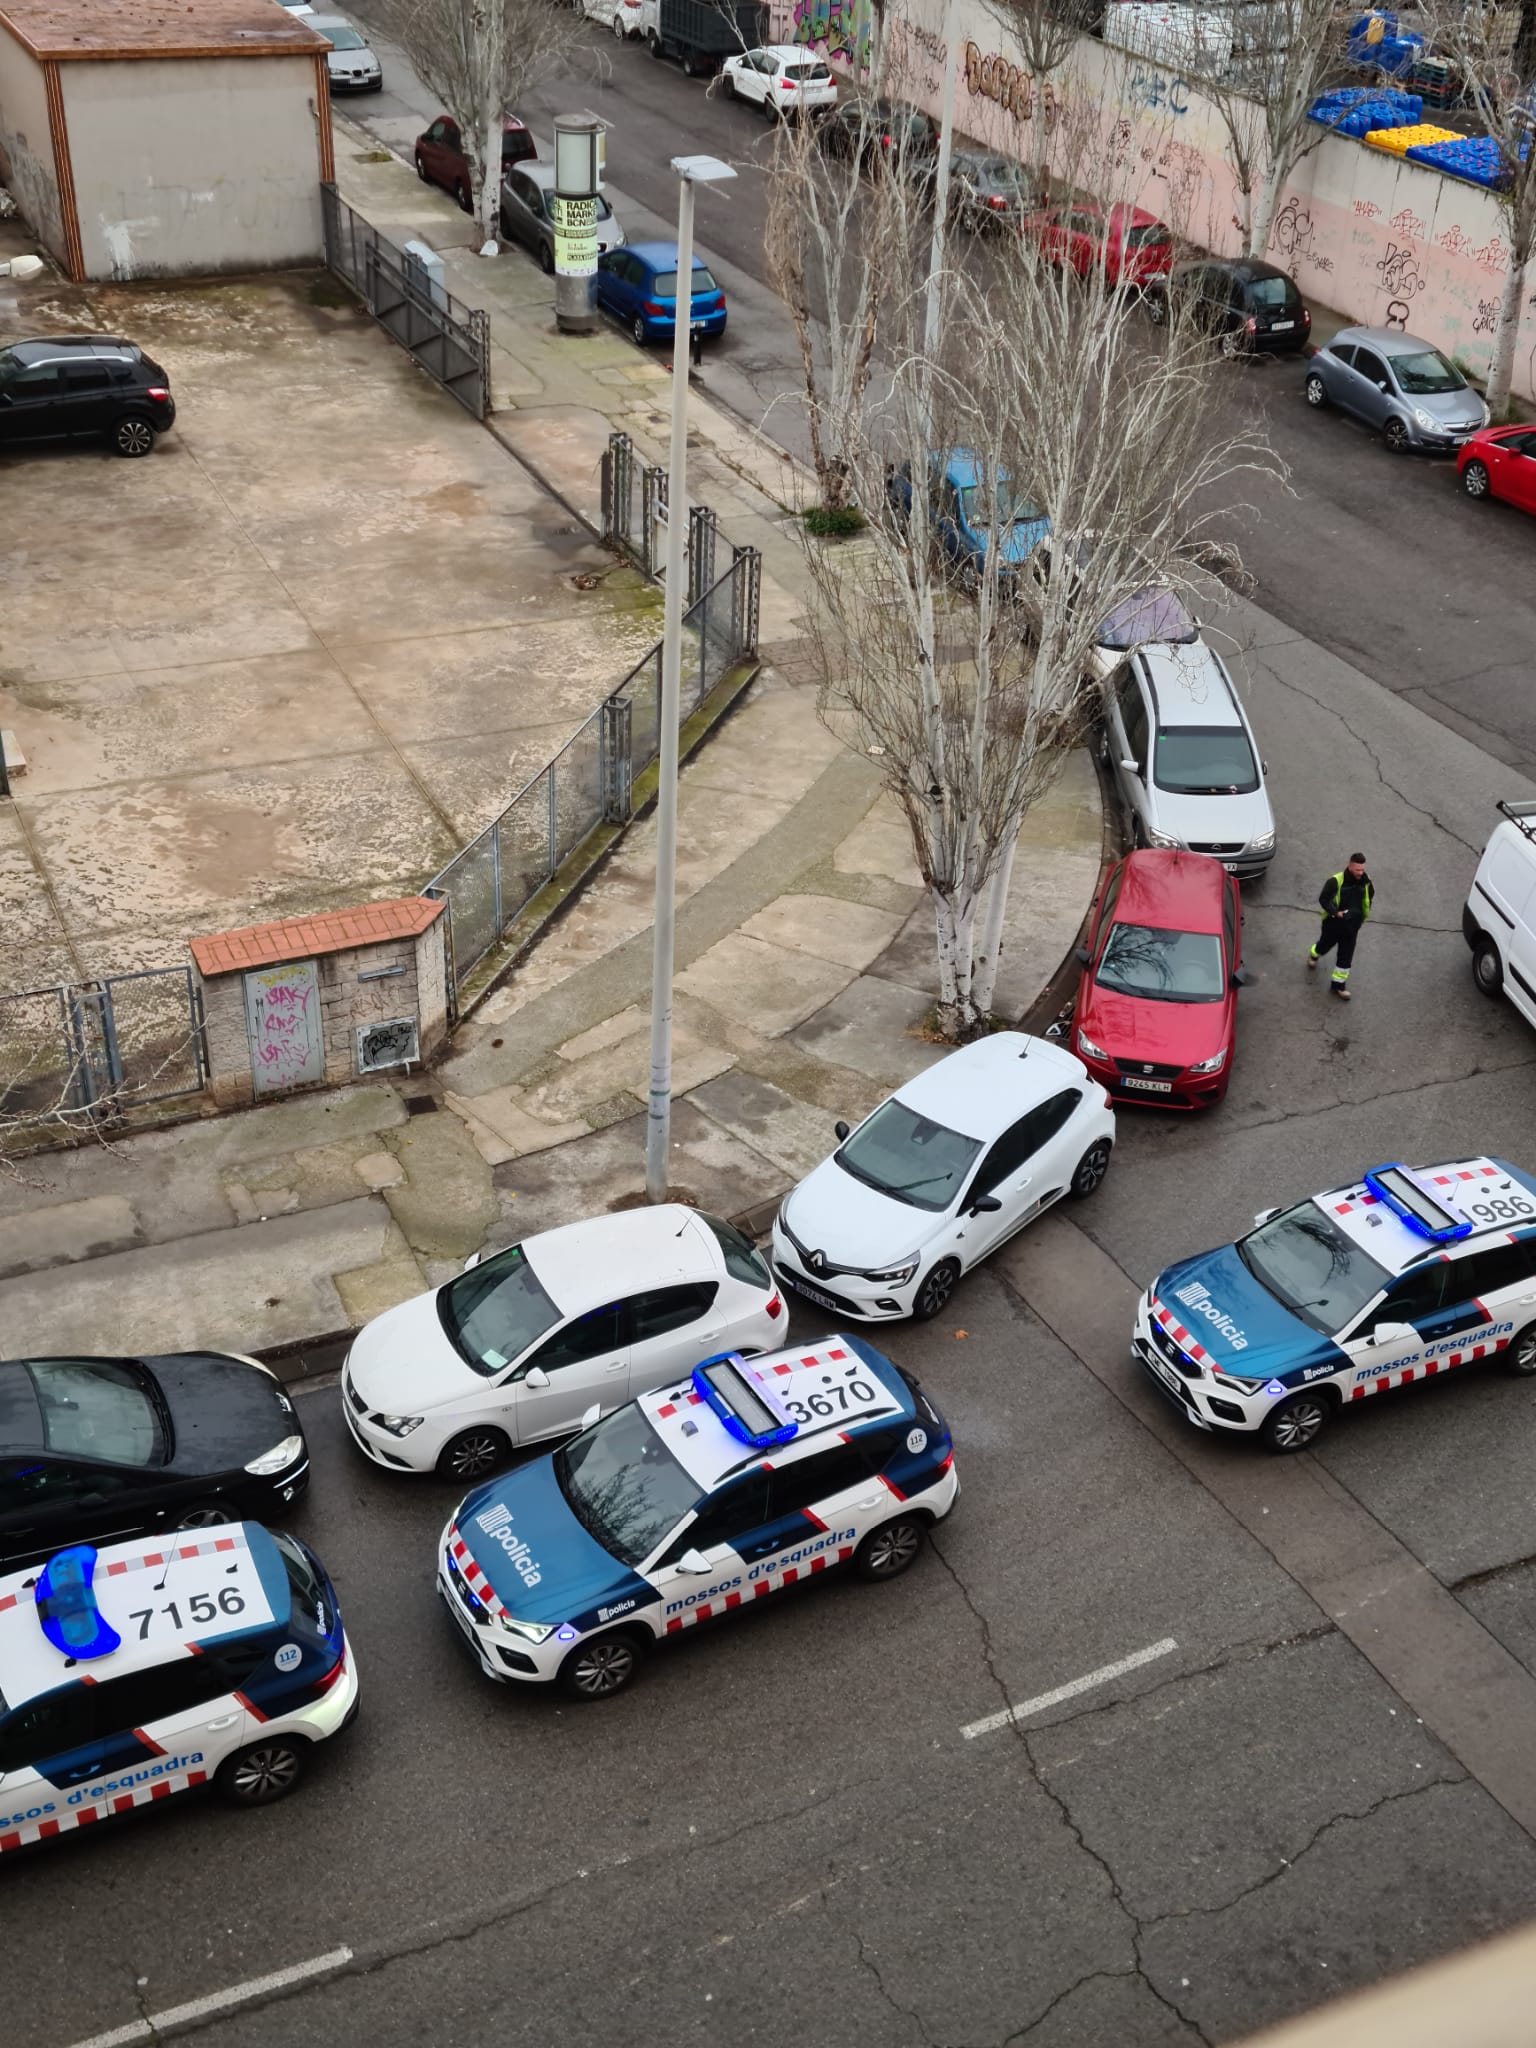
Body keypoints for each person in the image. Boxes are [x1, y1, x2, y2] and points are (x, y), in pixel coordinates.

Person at [1309, 853, 1374, 999]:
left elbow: (1369, 897)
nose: (1361, 873)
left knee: (1346, 957)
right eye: (1358, 870)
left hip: (1352, 927)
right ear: (1350, 866)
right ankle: (1314, 953)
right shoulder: (1335, 881)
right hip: (1333, 924)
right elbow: (1324, 899)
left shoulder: (1366, 881)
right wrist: (1336, 913)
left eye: (1362, 869)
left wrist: (1361, 917)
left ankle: (1338, 986)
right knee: (1324, 946)